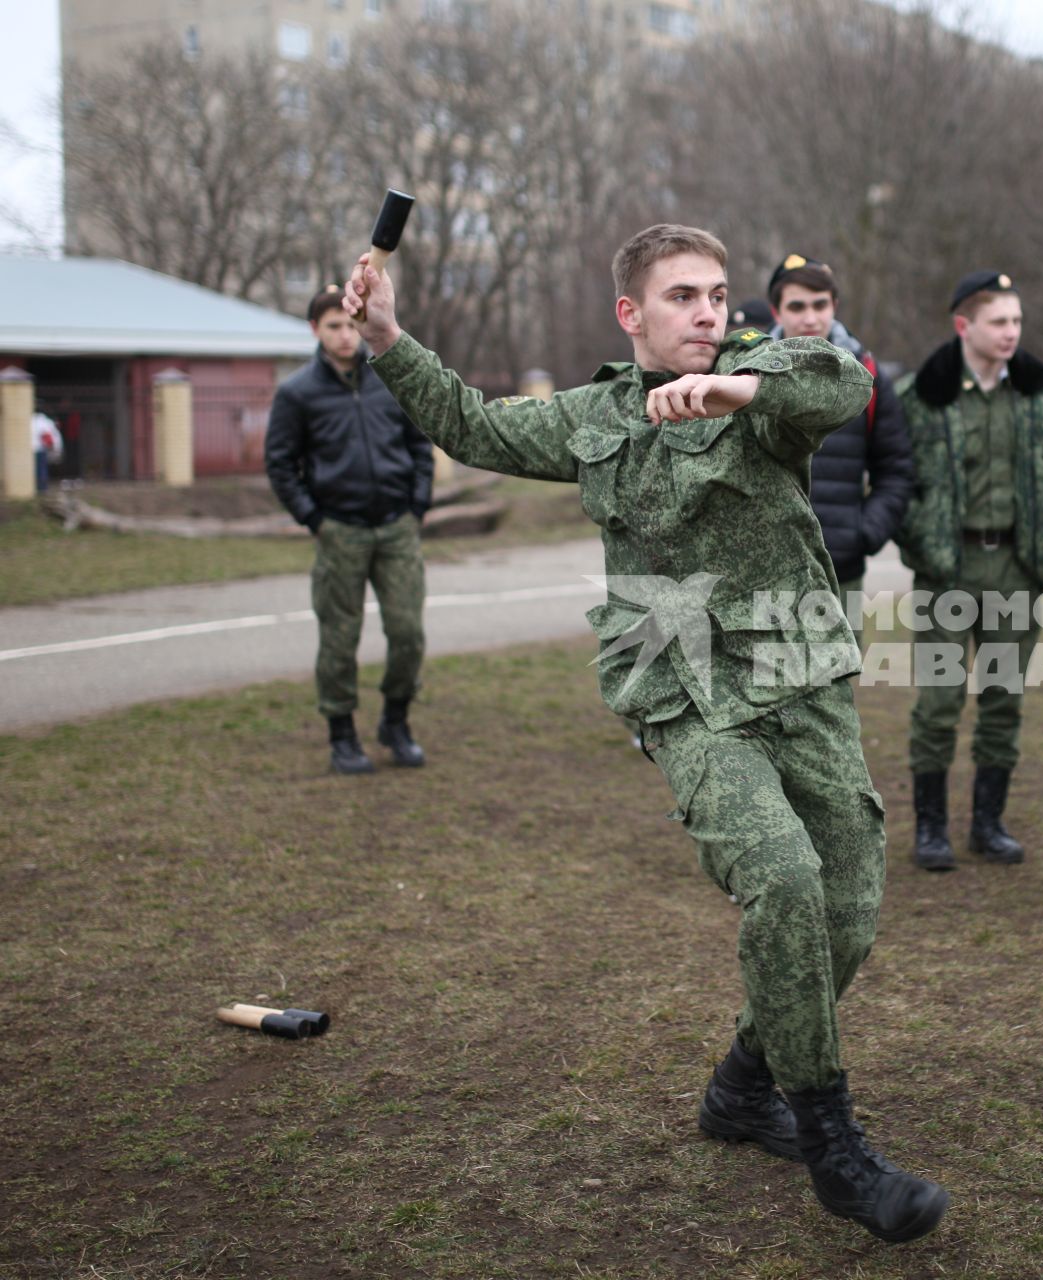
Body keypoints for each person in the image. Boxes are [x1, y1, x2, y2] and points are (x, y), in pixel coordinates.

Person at [341, 223, 949, 1242]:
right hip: (686, 686)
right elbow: (476, 428)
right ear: (633, 313)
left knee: (848, 907)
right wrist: (394, 337)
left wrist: (735, 391)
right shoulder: (595, 416)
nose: (709, 313)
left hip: (798, 677)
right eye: (684, 297)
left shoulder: (758, 387)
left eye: (716, 294)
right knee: (785, 879)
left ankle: (744, 1084)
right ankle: (835, 1146)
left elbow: (841, 383)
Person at [895, 270, 1043, 871]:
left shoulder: (1038, 390)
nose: (1011, 333)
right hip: (948, 568)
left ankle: (989, 824)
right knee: (940, 700)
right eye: (999, 321)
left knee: (1003, 698)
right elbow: (899, 477)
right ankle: (931, 828)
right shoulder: (923, 394)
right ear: (963, 326)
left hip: (1016, 568)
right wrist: (921, 540)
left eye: (1017, 322)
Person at [266, 286, 434, 775]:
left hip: (397, 528)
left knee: (408, 633)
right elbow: (280, 464)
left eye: (350, 324)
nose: (345, 335)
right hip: (340, 530)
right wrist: (314, 518)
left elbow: (419, 445)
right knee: (340, 637)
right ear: (314, 330)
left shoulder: (390, 380)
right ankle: (342, 735)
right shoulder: (297, 393)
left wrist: (416, 505)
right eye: (333, 326)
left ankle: (396, 723)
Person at [766, 253, 914, 646]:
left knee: (836, 694)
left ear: (834, 307)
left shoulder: (865, 372)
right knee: (766, 692)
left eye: (820, 305)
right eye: (797, 306)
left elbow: (896, 468)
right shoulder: (746, 373)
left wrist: (863, 533)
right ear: (776, 311)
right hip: (761, 574)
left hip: (839, 570)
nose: (810, 318)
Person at [31, 410, 63, 491]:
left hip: (31, 449)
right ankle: (42, 488)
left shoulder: (30, 420)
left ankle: (38, 487)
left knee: (35, 470)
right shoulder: (45, 422)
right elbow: (47, 436)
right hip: (40, 449)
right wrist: (52, 448)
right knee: (42, 469)